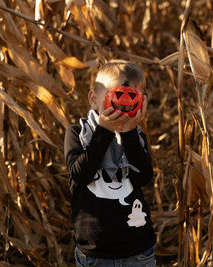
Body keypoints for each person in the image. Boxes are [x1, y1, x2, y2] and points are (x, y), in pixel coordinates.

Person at [64, 60, 156, 267]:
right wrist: (104, 131)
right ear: (94, 100)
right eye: (116, 96)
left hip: (138, 250)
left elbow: (143, 177)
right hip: (95, 253)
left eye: (132, 98)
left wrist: (130, 132)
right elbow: (80, 175)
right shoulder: (77, 134)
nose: (123, 104)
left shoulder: (136, 135)